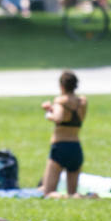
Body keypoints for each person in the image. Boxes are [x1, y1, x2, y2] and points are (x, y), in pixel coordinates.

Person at [39, 70, 88, 198]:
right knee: (72, 192)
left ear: (61, 86)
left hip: (60, 147)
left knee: (48, 192)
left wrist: (48, 112)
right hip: (76, 147)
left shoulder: (60, 101)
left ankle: (63, 197)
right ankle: (84, 197)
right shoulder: (82, 102)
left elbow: (58, 118)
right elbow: (75, 118)